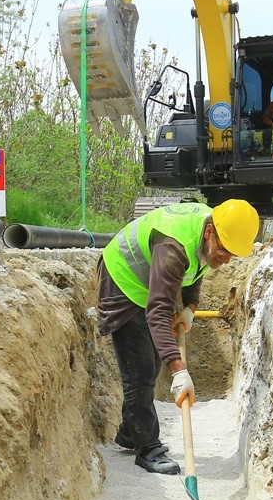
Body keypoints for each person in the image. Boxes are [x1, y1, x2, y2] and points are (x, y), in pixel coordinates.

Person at [97, 199, 261, 474]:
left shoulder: (213, 229)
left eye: (233, 254)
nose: (225, 259)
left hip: (149, 281)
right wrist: (179, 370)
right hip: (123, 281)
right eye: (223, 251)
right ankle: (147, 447)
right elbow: (158, 313)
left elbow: (196, 268)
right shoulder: (174, 247)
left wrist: (190, 308)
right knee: (141, 368)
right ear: (210, 232)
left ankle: (130, 431)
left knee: (150, 361)